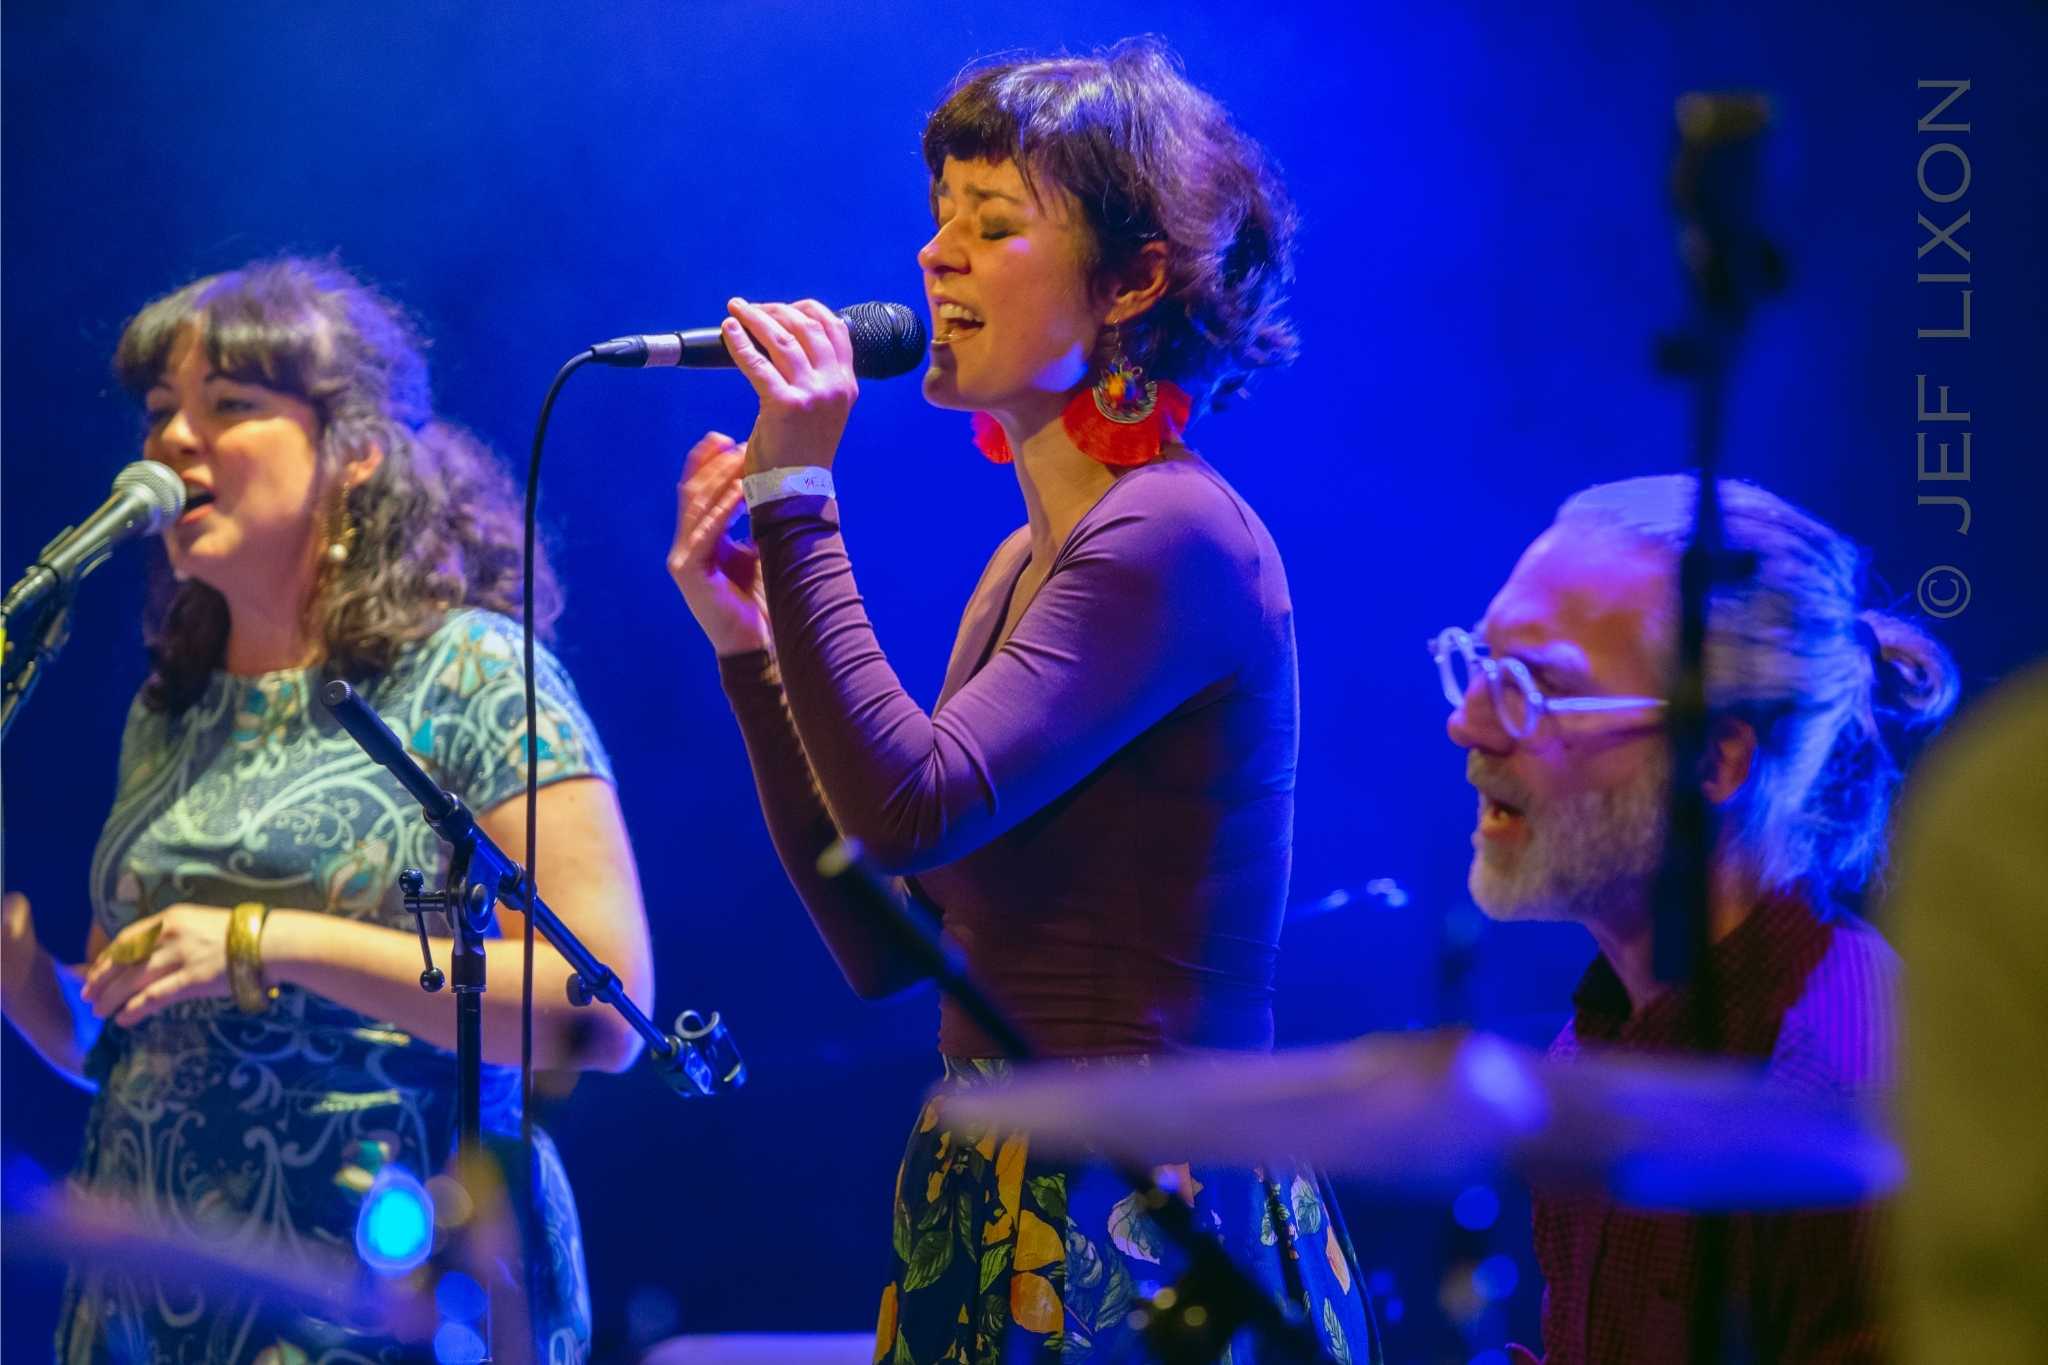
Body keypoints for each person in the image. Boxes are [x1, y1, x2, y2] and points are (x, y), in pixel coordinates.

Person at [666, 40, 1378, 1365]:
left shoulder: (1174, 534)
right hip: (999, 1177)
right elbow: (892, 946)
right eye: (939, 220)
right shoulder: (1024, 564)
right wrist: (751, 646)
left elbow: (907, 803)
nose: (936, 259)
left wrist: (801, 496)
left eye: (992, 227)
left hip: (1139, 1197)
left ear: (1132, 281)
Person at [0, 257, 653, 1365]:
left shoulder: (471, 673)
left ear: (354, 452)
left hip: (382, 1303)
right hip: (150, 1307)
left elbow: (602, 1004)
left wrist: (268, 942)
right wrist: (28, 985)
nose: (172, 443)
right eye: (161, 412)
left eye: (232, 407)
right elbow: (128, 1039)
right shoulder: (171, 708)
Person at [1434, 475, 1956, 1364]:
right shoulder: (1599, 1041)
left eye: (1535, 684)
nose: (1468, 722)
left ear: (1716, 760)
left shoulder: (1845, 1096)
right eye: (1481, 664)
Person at [1889, 661, 2048, 1365]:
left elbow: (1983, 1296)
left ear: (1722, 756)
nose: (1499, 725)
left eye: (1541, 685)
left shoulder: (2010, 805)